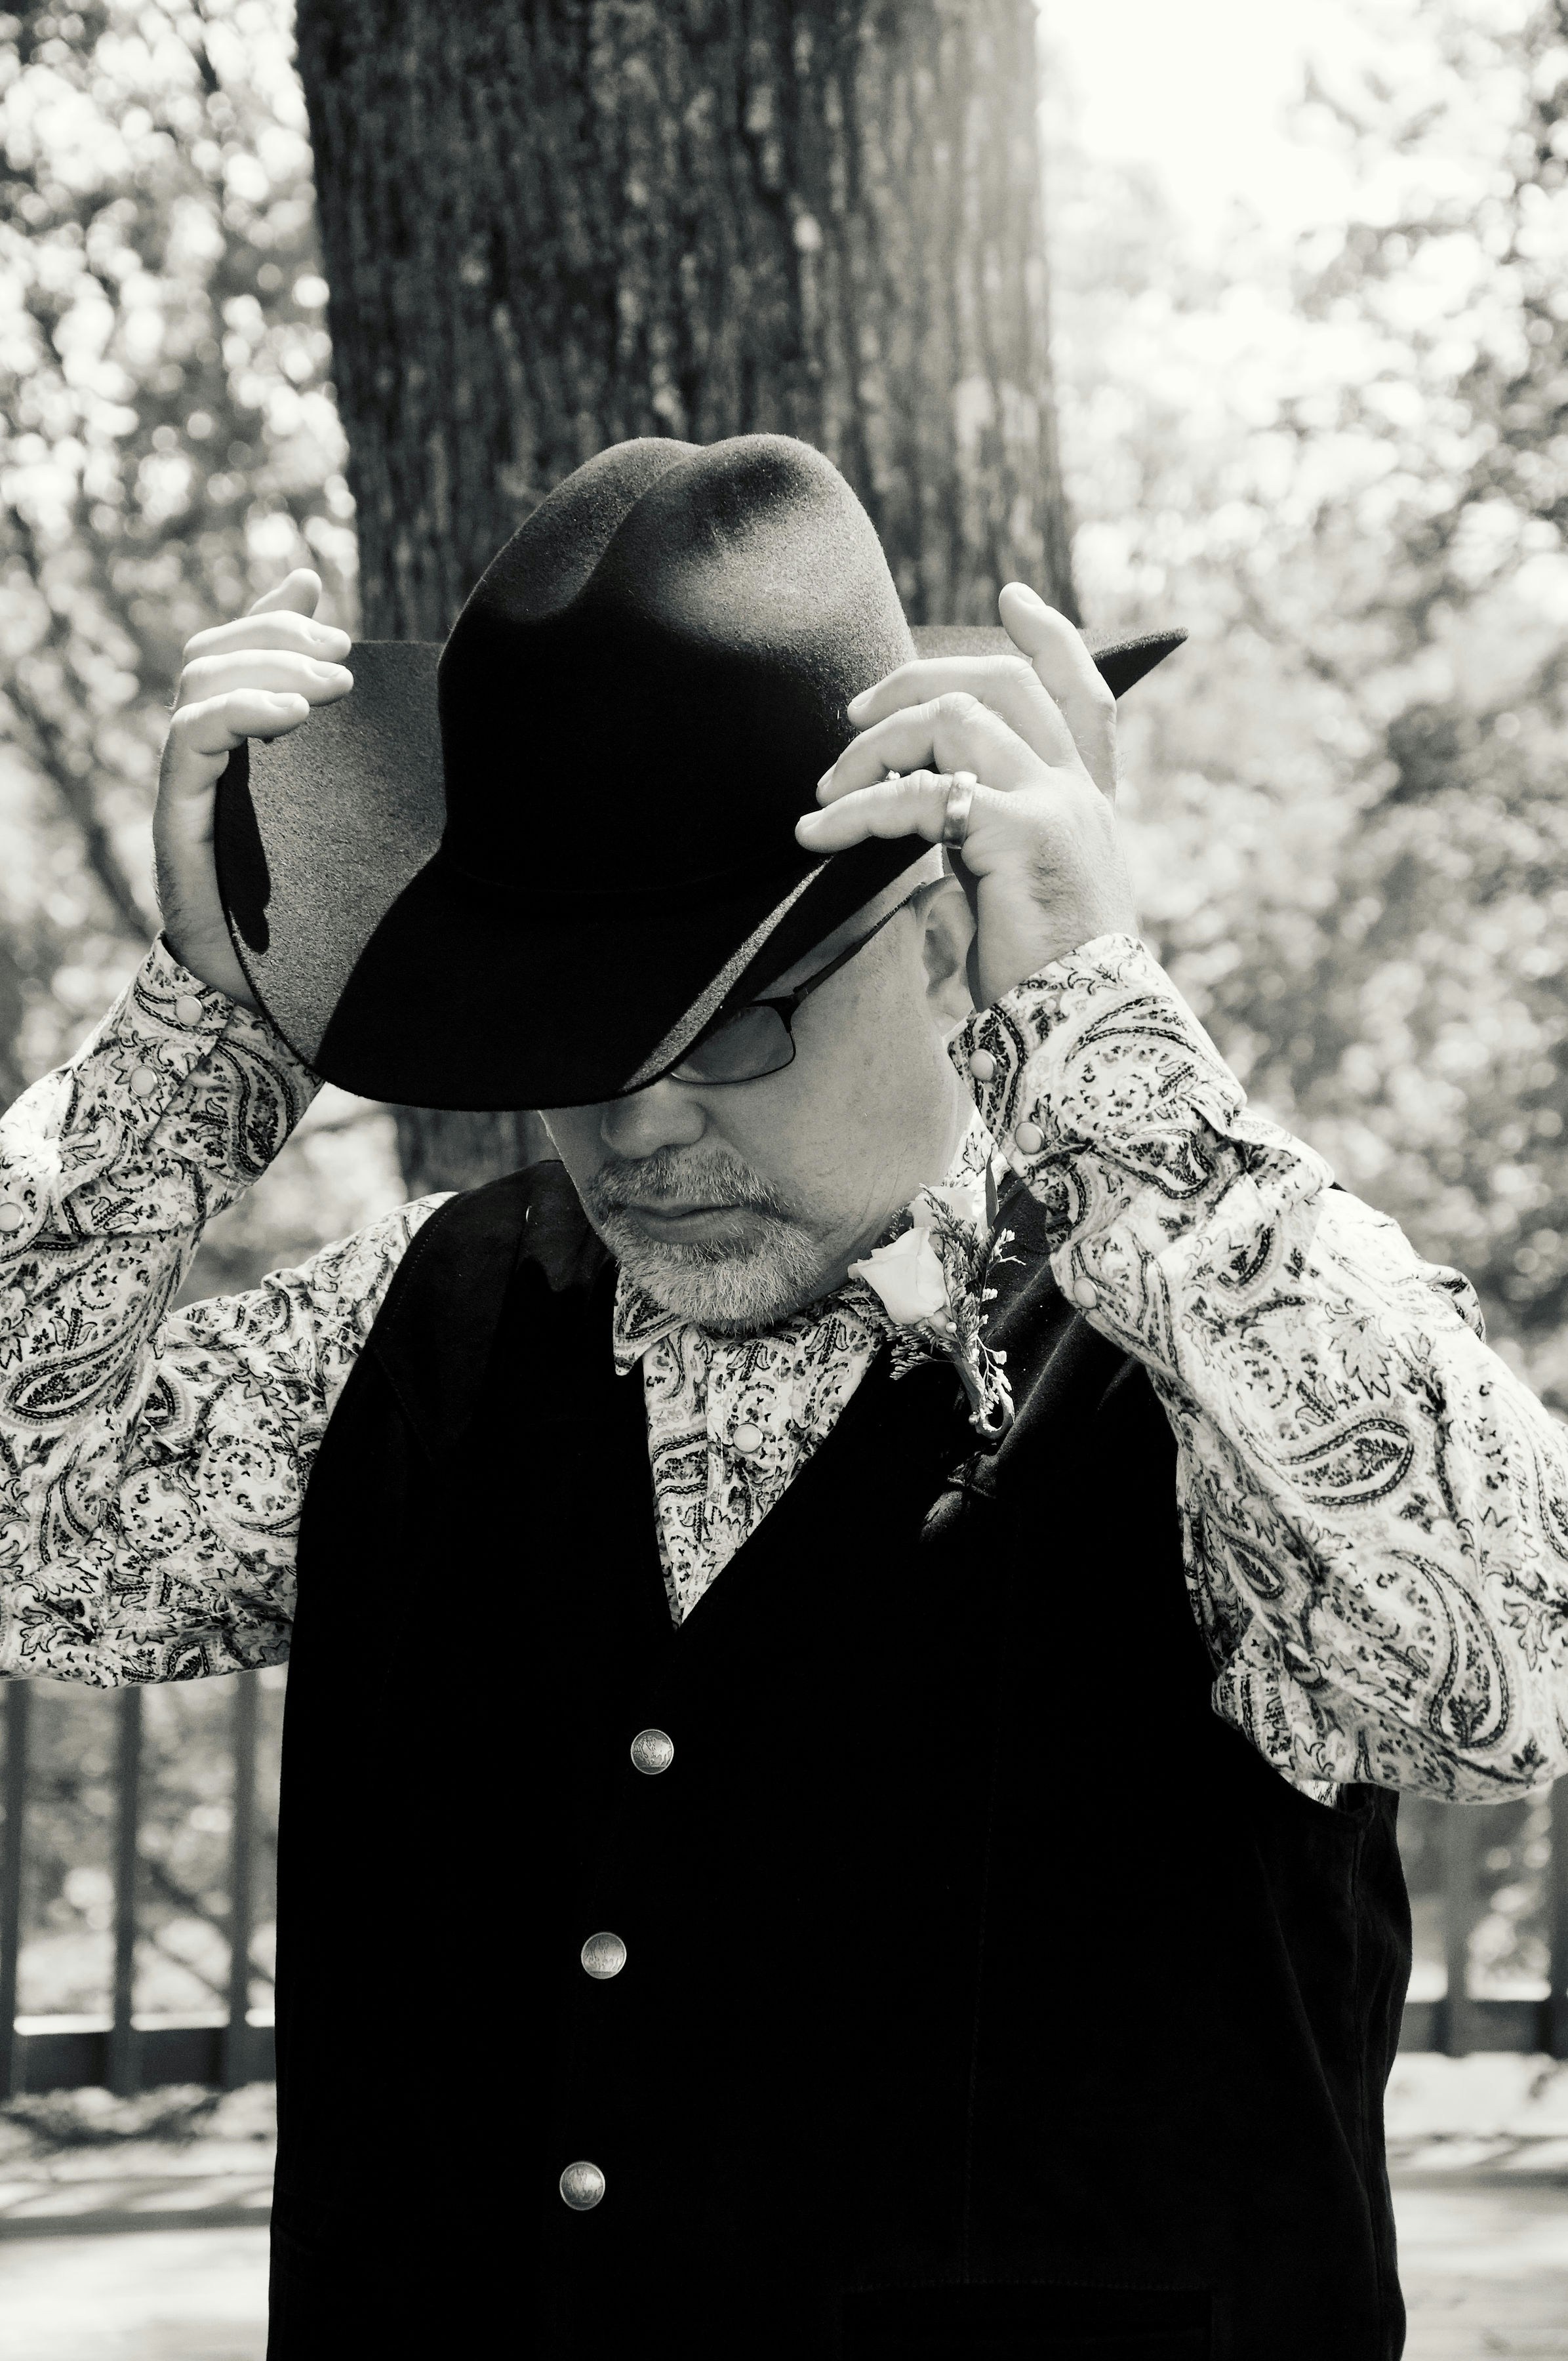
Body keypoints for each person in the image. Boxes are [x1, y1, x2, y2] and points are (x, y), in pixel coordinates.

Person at [1, 434, 1564, 2361]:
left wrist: (1109, 1039)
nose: (641, 1128)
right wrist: (201, 1034)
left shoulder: (1225, 1320)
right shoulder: (410, 1333)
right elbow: (24, 1547)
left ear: (942, 938)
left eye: (733, 1021)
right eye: (573, 1037)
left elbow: (1515, 1675)